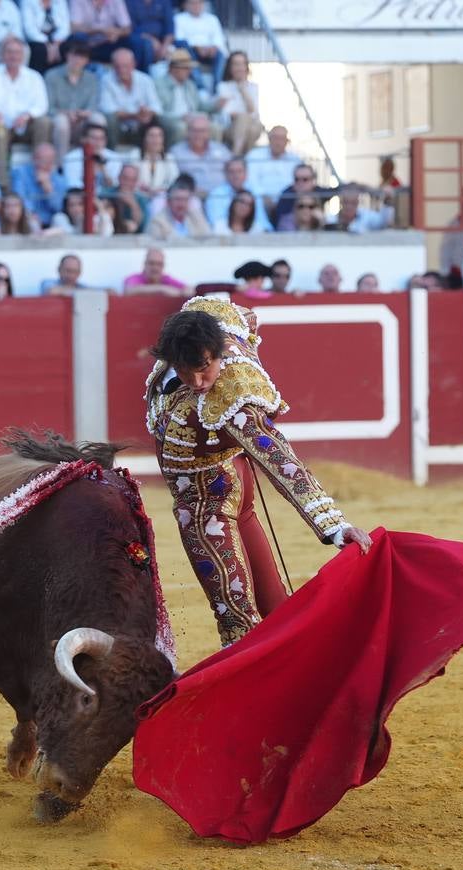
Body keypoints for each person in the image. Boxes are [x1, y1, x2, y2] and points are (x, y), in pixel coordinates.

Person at [144, 297, 371, 646]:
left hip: (207, 504)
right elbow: (239, 315)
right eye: (186, 370)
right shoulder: (210, 323)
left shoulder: (235, 397)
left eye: (205, 367)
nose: (198, 380)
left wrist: (334, 526)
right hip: (231, 485)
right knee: (274, 603)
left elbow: (281, 460)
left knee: (237, 621)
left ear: (218, 352)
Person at [0, 36, 50, 185]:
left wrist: (26, 116)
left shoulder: (34, 77)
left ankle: (40, 175)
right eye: (9, 52)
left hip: (24, 126)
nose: (13, 56)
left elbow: (41, 105)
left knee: (43, 122)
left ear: (23, 55)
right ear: (2, 55)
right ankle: (2, 183)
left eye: (17, 52)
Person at [44, 37, 103, 161]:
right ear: (67, 56)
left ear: (87, 60)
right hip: (59, 122)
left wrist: (85, 113)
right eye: (74, 55)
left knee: (98, 119)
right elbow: (49, 108)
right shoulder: (52, 76)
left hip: (82, 122)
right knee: (61, 122)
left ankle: (97, 160)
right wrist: (67, 114)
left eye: (82, 57)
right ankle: (61, 164)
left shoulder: (92, 79)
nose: (77, 60)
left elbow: (93, 105)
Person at [98, 44, 157, 147]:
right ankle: (112, 152)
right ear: (112, 66)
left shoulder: (145, 80)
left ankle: (157, 156)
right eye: (117, 66)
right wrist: (135, 115)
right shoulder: (106, 80)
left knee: (159, 119)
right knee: (109, 119)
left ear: (134, 64)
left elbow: (156, 106)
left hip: (141, 125)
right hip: (118, 127)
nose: (121, 70)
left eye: (125, 66)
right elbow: (109, 111)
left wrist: (146, 112)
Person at [154, 47, 214, 146]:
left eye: (189, 68)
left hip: (192, 118)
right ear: (173, 69)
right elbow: (159, 113)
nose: (189, 71)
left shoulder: (190, 84)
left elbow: (200, 105)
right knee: (181, 128)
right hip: (172, 121)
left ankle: (208, 158)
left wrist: (217, 105)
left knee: (213, 127)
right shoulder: (158, 84)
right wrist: (181, 117)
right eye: (185, 68)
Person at [168, 111, 228, 198]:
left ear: (208, 133)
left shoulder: (222, 150)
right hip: (191, 199)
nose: (198, 135)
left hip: (222, 197)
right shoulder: (176, 152)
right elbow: (172, 179)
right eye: (194, 130)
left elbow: (232, 171)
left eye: (202, 131)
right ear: (187, 132)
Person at [245, 124, 299, 217]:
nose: (278, 142)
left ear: (287, 141)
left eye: (281, 138)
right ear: (269, 139)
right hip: (260, 200)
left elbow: (297, 183)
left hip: (288, 201)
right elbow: (249, 180)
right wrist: (263, 195)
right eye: (275, 138)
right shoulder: (254, 156)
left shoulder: (295, 160)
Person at [205, 156, 270, 233]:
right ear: (225, 174)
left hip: (253, 238)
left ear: (246, 174)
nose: (236, 176)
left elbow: (262, 223)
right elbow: (215, 225)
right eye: (231, 172)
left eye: (239, 171)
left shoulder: (255, 193)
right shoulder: (215, 195)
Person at [214, 50, 259, 157]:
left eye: (242, 64)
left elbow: (254, 113)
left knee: (253, 127)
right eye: (236, 64)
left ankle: (237, 156)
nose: (239, 68)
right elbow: (227, 113)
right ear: (230, 67)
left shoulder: (253, 87)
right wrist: (243, 115)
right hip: (230, 128)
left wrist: (243, 90)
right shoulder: (223, 86)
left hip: (250, 125)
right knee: (247, 123)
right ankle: (239, 158)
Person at [172, 0, 225, 91]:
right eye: (193, 3)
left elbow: (219, 38)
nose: (196, 6)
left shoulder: (212, 19)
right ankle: (200, 86)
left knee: (220, 54)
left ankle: (217, 87)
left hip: (209, 51)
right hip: (191, 50)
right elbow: (179, 38)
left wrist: (213, 48)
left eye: (199, 3)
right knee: (185, 48)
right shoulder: (179, 18)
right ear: (186, 5)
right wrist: (197, 48)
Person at [9, 140, 66, 224]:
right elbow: (19, 197)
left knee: (60, 219)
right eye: (43, 159)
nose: (47, 163)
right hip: (28, 218)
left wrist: (48, 189)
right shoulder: (21, 173)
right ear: (34, 159)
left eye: (50, 160)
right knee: (31, 222)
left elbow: (59, 208)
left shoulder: (59, 179)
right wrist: (31, 212)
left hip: (51, 222)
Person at [67, 0, 137, 64]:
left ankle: (135, 75)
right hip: (88, 43)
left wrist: (117, 33)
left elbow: (127, 28)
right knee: (79, 37)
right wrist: (100, 30)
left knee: (136, 42)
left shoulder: (116, 1)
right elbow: (74, 28)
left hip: (108, 42)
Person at [62, 119, 121, 189]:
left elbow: (114, 187)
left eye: (101, 138)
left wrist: (103, 168)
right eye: (94, 138)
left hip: (107, 198)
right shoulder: (71, 158)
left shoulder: (115, 158)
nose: (98, 142)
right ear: (83, 140)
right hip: (81, 197)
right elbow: (73, 186)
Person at [145, 173, 208, 237]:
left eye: (185, 199)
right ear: (168, 202)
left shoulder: (196, 217)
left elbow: (209, 239)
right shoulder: (157, 222)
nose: (181, 204)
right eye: (177, 199)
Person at [21, 0, 68, 73]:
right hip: (37, 38)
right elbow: (29, 29)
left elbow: (65, 27)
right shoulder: (27, 2)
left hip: (57, 39)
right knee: (40, 50)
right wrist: (47, 44)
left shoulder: (60, 1)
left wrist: (56, 45)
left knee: (67, 48)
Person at [45, 183, 112, 233]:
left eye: (80, 204)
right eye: (71, 205)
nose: (76, 209)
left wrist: (100, 207)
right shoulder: (59, 218)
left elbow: (107, 233)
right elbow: (70, 234)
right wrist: (81, 223)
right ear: (66, 207)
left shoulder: (94, 219)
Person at [127, 0, 173, 70]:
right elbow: (131, 27)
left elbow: (169, 26)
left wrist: (165, 46)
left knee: (183, 44)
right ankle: (146, 74)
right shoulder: (130, 2)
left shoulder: (164, 2)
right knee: (147, 45)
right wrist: (152, 40)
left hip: (162, 40)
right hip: (139, 37)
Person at [326, 182, 391, 232]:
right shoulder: (330, 220)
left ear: (357, 203)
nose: (349, 206)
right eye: (346, 202)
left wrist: (387, 201)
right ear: (341, 202)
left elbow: (384, 222)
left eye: (353, 203)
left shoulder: (367, 216)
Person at [105, 160, 146, 232]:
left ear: (136, 182)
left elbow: (142, 226)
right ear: (119, 177)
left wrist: (133, 205)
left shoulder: (141, 199)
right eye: (125, 178)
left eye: (132, 180)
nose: (127, 183)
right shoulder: (107, 193)